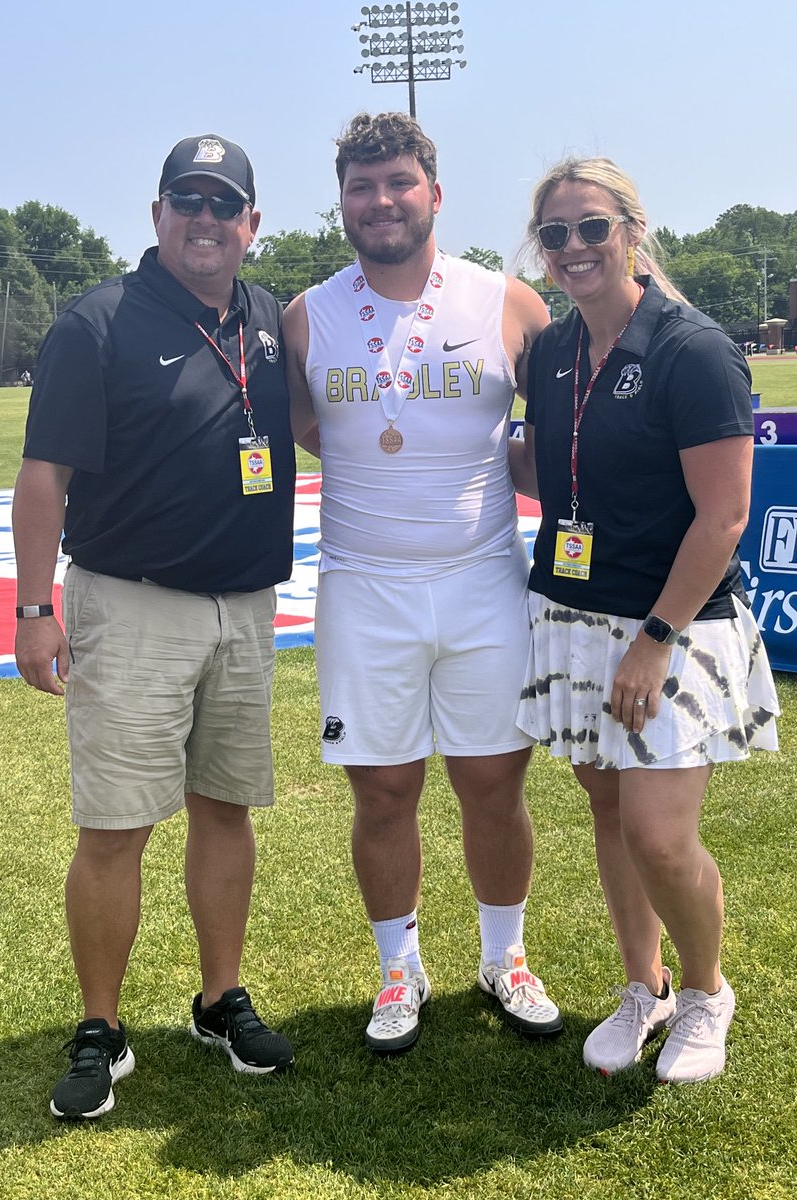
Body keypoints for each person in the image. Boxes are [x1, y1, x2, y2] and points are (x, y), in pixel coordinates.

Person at [12, 133, 297, 1119]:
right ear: (157, 215)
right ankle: (101, 1024)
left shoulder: (267, 319)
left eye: (224, 204)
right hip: (129, 603)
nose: (205, 219)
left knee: (226, 809)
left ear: (252, 226)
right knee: (115, 829)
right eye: (187, 200)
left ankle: (220, 1001)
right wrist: (34, 608)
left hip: (247, 605)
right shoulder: (98, 322)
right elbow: (43, 477)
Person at [283, 111, 562, 1054]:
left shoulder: (508, 303)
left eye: (398, 183)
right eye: (362, 188)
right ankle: (398, 966)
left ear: (434, 194)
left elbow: (550, 437)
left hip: (485, 578)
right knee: (385, 792)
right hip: (363, 587)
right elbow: (308, 430)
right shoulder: (306, 315)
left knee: (493, 784)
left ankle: (504, 956)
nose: (381, 201)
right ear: (343, 204)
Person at [514, 157, 780, 1083]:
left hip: (671, 626)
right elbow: (545, 472)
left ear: (632, 230)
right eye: (557, 233)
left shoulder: (692, 347)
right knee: (610, 811)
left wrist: (653, 641)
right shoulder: (548, 350)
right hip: (574, 614)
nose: (576, 247)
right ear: (540, 250)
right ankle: (646, 986)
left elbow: (724, 518)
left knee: (661, 833)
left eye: (593, 227)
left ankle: (708, 991)